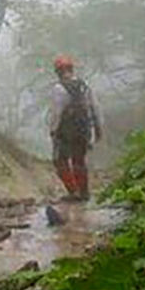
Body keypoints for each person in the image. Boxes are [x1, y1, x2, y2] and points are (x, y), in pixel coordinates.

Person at [47, 55, 103, 202]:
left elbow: (56, 113)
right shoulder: (85, 85)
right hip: (83, 129)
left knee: (59, 161)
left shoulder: (58, 89)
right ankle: (84, 192)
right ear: (72, 69)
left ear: (57, 71)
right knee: (79, 161)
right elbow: (95, 107)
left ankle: (73, 191)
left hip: (65, 131)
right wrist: (98, 128)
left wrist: (53, 130)